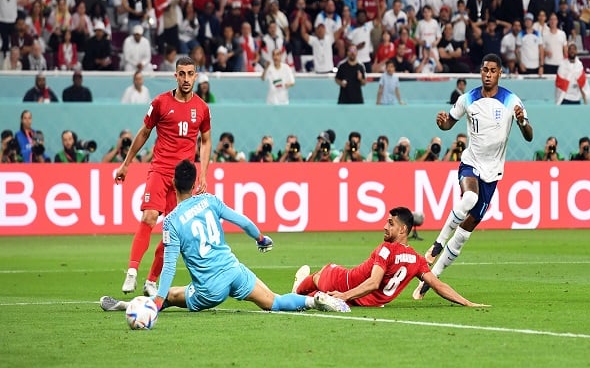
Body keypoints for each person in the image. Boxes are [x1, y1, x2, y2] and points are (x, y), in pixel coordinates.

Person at [101, 159, 351, 314]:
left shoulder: (172, 222)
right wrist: (260, 238)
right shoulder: (209, 200)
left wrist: (157, 300)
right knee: (274, 302)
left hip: (209, 289)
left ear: (173, 185)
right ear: (195, 181)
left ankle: (127, 306)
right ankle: (313, 302)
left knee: (170, 296)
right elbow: (242, 221)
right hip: (234, 271)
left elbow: (167, 268)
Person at [413, 53, 534, 300]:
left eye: (492, 70)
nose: (487, 74)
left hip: (493, 171)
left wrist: (522, 122)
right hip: (471, 163)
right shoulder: (467, 99)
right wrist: (442, 123)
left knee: (465, 232)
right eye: (484, 69)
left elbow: (529, 135)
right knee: (468, 197)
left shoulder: (511, 101)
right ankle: (436, 244)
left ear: (500, 73)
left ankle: (431, 280)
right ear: (480, 72)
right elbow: (449, 123)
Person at [115, 56, 212, 297]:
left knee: (173, 231)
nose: (186, 79)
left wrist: (203, 174)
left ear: (196, 76)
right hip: (160, 169)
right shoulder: (160, 102)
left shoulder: (202, 108)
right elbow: (144, 132)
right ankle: (132, 271)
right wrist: (126, 164)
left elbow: (207, 140)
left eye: (191, 74)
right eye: (182, 74)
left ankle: (151, 280)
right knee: (149, 216)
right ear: (176, 76)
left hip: (183, 179)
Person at [292, 207, 488, 308]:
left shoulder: (386, 250)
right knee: (310, 297)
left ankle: (298, 287)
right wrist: (466, 302)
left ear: (402, 229)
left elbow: (373, 283)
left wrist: (343, 296)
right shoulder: (417, 260)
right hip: (357, 297)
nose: (385, 227)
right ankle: (298, 289)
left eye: (390, 223)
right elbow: (438, 286)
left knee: (318, 279)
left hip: (342, 283)